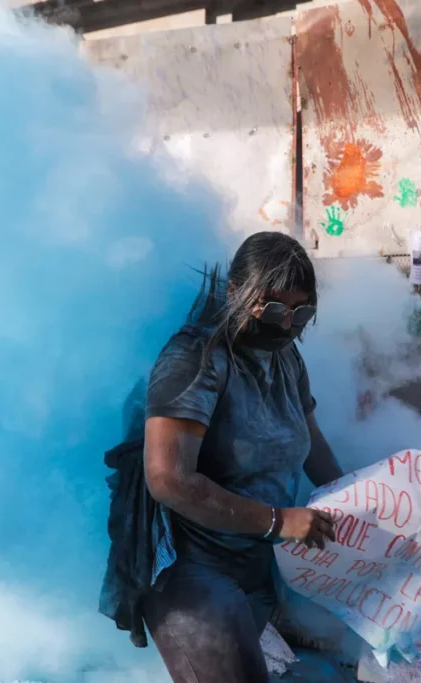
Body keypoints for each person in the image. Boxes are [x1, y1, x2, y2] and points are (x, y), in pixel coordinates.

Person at [142, 230, 344, 683]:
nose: (288, 323)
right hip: (193, 576)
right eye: (273, 307)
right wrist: (276, 521)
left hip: (257, 567)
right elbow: (167, 478)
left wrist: (362, 501)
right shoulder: (197, 357)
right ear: (236, 292)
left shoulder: (287, 358)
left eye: (302, 310)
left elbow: (311, 442)